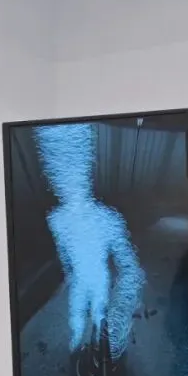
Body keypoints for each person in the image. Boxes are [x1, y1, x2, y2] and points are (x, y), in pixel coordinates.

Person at [34, 123, 144, 360]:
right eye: (60, 176)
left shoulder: (106, 218)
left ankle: (97, 350)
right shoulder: (57, 219)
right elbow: (64, 250)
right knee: (76, 318)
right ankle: (77, 350)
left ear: (84, 174)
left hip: (98, 278)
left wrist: (120, 312)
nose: (66, 183)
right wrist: (68, 273)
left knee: (98, 316)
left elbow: (130, 268)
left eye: (71, 173)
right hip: (79, 280)